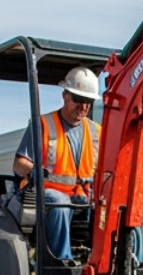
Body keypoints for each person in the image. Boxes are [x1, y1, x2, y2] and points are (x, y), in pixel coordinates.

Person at [12, 66, 101, 264]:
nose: (83, 106)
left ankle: (118, 264)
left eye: (88, 101)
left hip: (83, 196)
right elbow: (19, 163)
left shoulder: (96, 132)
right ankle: (62, 263)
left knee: (116, 210)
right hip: (47, 194)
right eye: (78, 99)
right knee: (60, 203)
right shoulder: (42, 125)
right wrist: (34, 172)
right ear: (65, 96)